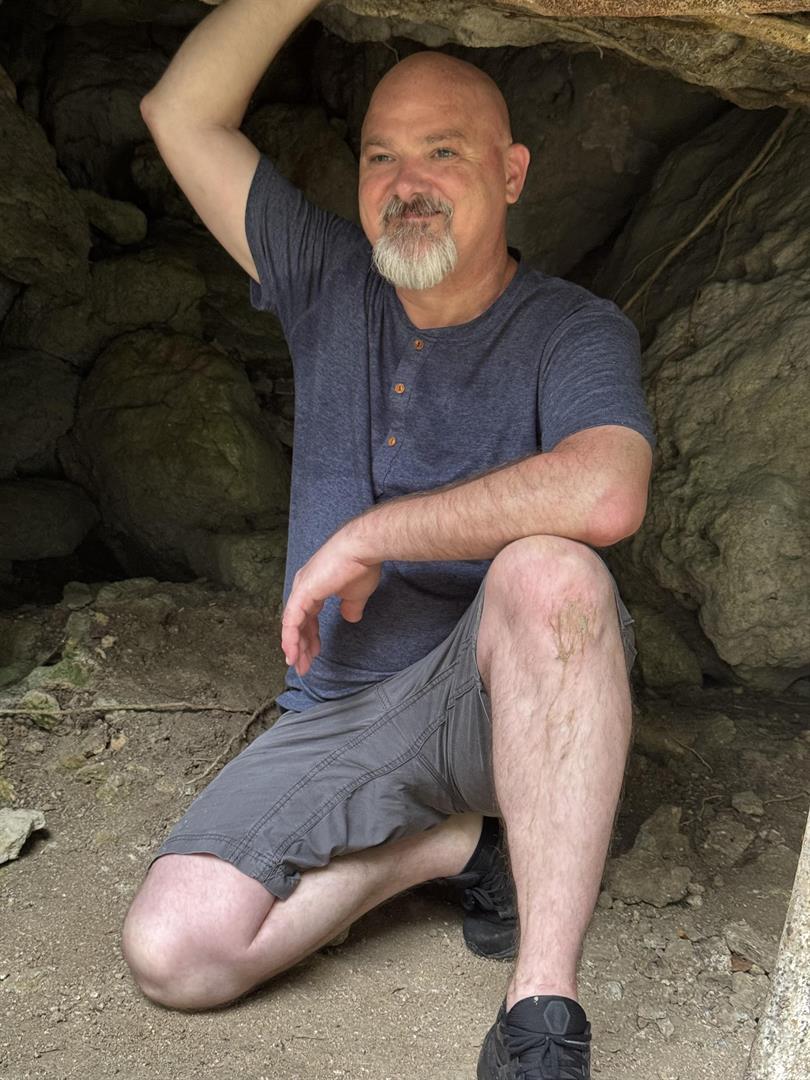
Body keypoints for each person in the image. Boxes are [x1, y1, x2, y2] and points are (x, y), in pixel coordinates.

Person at [121, 2, 654, 1077]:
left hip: (501, 698)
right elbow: (180, 113)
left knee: (552, 572)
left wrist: (378, 531)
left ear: (511, 173)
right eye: (381, 156)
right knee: (174, 952)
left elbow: (608, 490)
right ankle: (453, 847)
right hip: (342, 712)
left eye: (443, 152)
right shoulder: (328, 280)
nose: (407, 182)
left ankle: (541, 1011)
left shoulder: (572, 327)